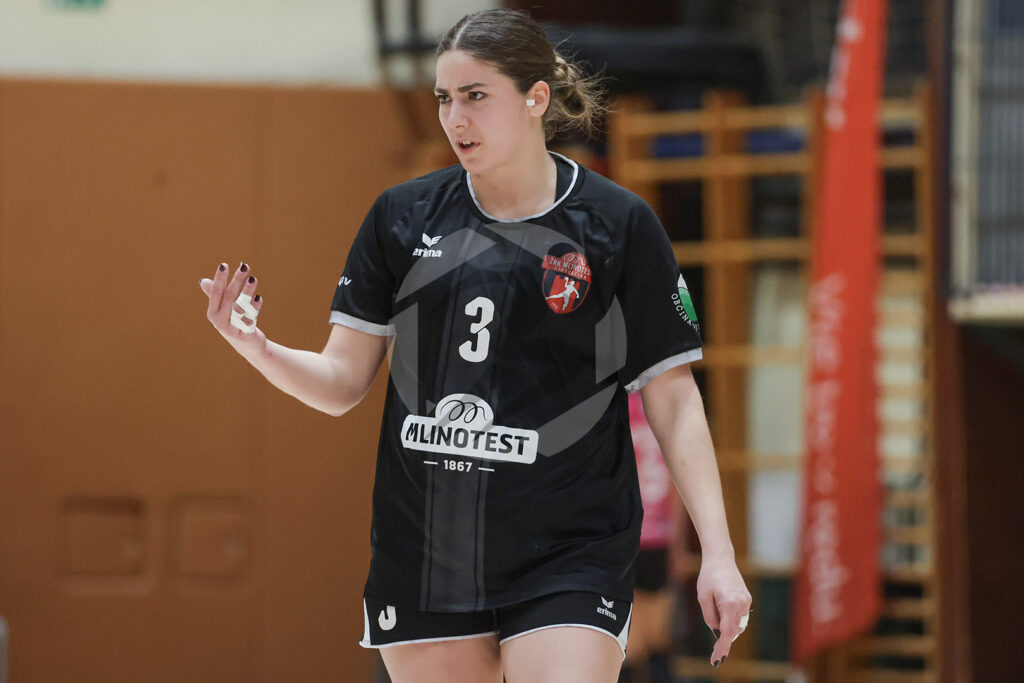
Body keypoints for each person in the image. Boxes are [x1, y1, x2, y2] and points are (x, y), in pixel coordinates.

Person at [199, 9, 750, 683]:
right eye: (444, 98)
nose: (455, 119)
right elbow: (342, 382)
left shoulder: (618, 225)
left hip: (571, 551)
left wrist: (719, 554)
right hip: (429, 550)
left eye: (476, 96)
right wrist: (258, 347)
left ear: (535, 98)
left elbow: (674, 398)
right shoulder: (401, 218)